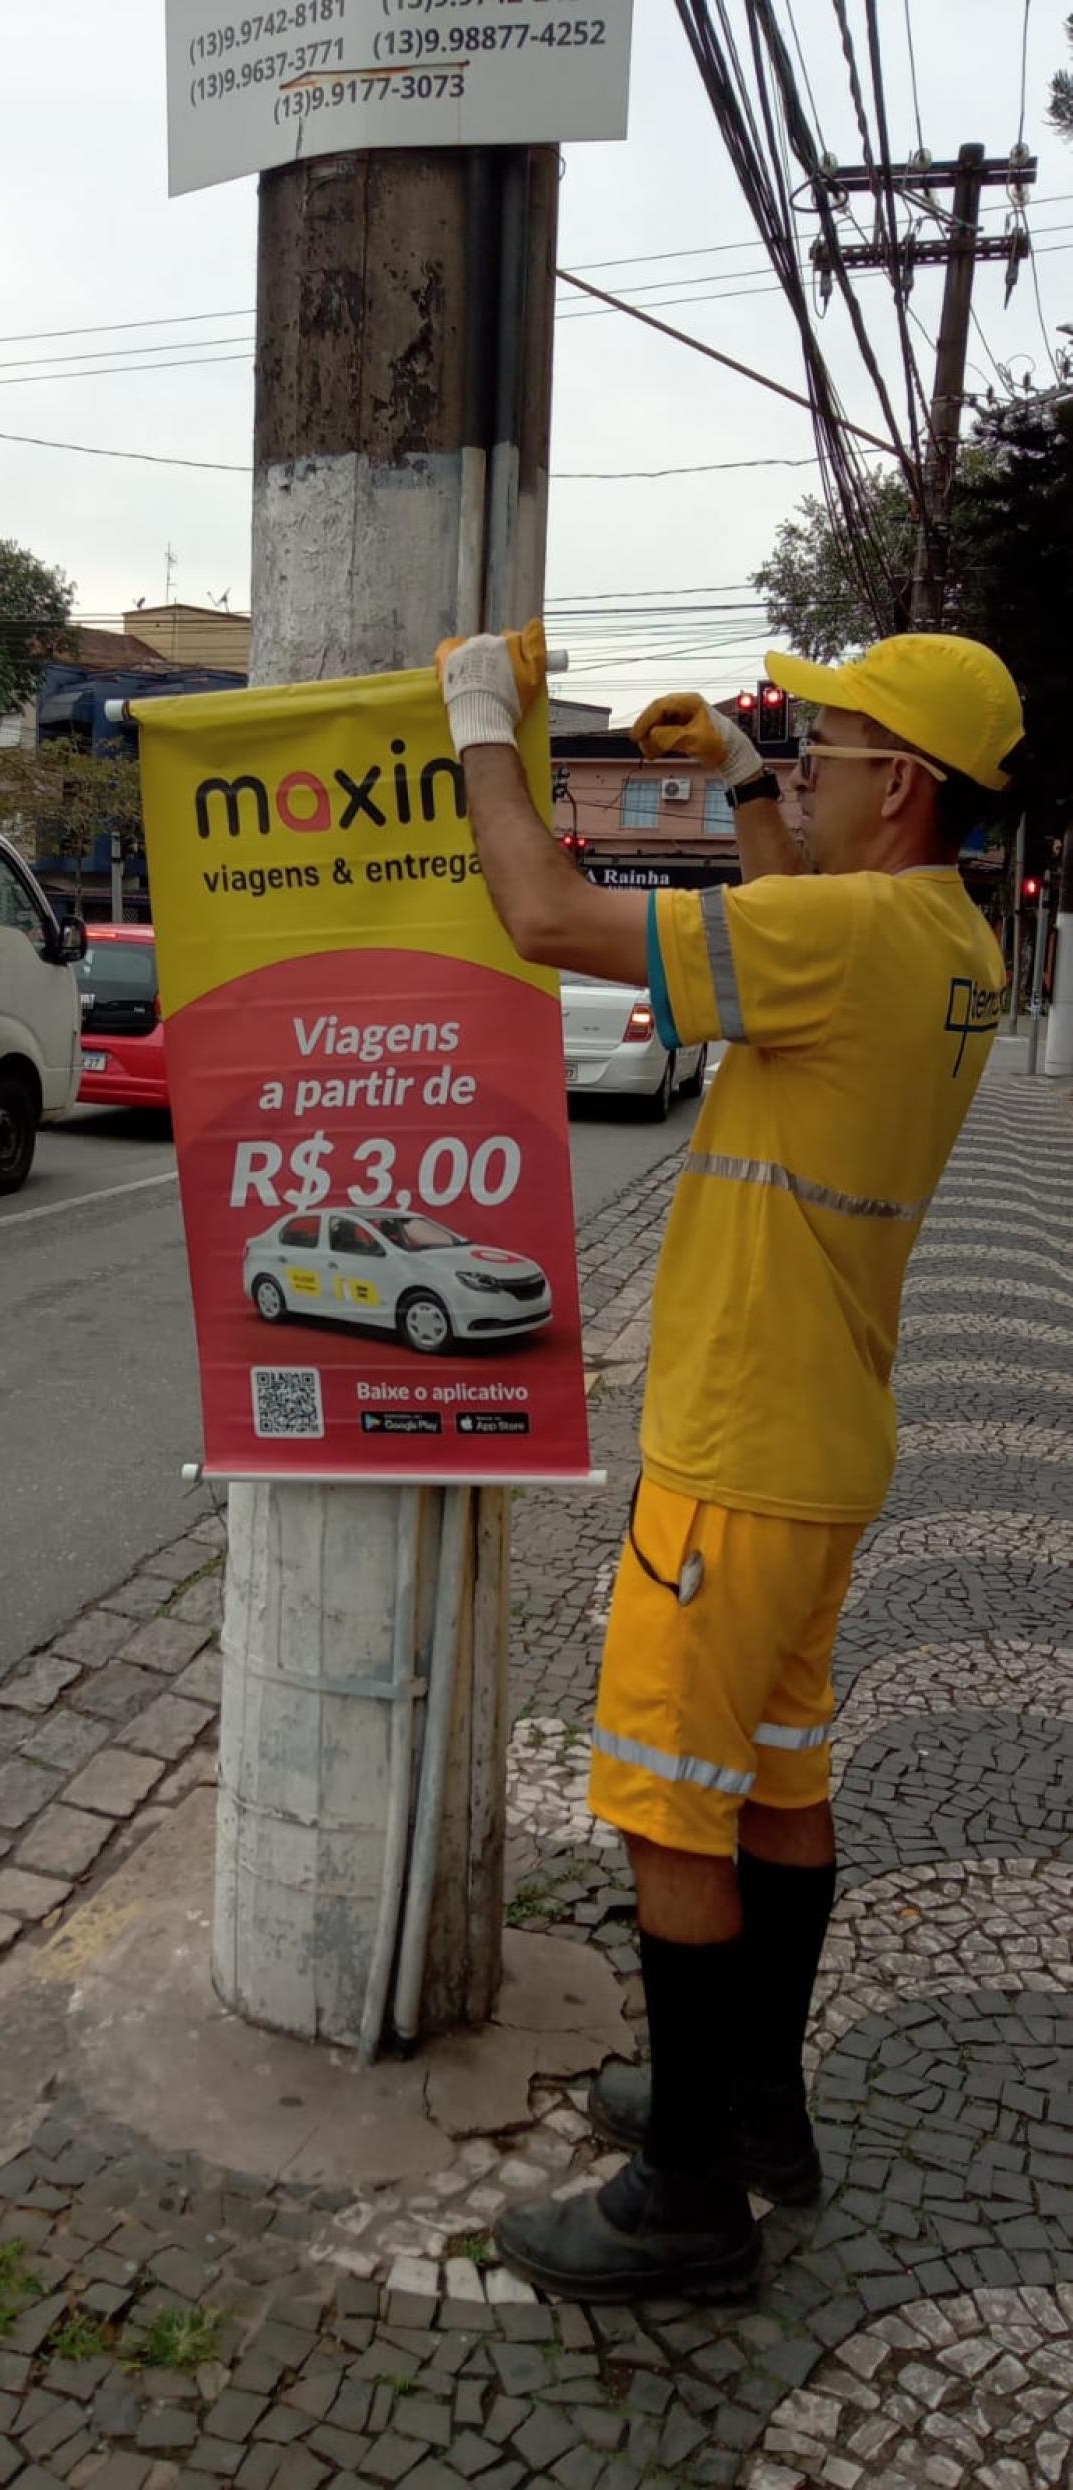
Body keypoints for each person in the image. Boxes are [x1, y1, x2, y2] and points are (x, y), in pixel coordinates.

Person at [437, 626, 1021, 2304]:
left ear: (901, 788)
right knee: (779, 1784)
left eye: (829, 749)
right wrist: (751, 784)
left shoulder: (845, 932)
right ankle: (757, 2106)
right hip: (830, 1440)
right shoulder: (945, 939)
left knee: (666, 1807)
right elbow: (787, 962)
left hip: (740, 1447)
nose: (811, 763)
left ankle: (686, 2194)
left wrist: (488, 720)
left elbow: (546, 915)